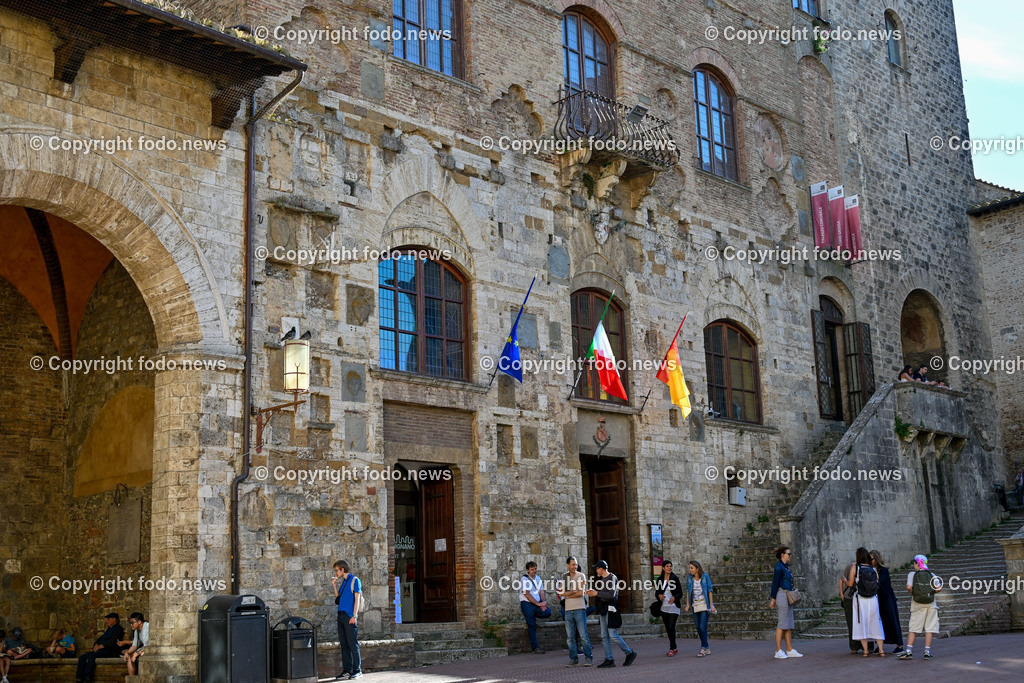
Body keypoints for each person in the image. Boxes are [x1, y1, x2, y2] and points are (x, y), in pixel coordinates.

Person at [586, 560, 636, 668]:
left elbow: (611, 594)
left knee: (612, 634)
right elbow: (604, 594)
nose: (595, 571)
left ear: (601, 568)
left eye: (596, 568)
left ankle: (629, 653)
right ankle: (609, 659)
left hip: (611, 609)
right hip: (604, 609)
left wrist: (596, 593)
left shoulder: (612, 578)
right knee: (604, 636)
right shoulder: (603, 579)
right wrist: (593, 592)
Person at [899, 554, 941, 660]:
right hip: (931, 604)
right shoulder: (931, 574)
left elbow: (909, 587)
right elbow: (938, 588)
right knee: (929, 629)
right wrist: (930, 593)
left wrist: (914, 593)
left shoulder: (912, 574)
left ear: (917, 563)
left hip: (917, 604)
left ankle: (908, 651)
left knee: (913, 628)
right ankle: (927, 652)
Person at [847, 547, 885, 657]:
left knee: (861, 623)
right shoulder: (873, 568)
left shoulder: (856, 567)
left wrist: (846, 580)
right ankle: (881, 650)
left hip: (860, 599)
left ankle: (865, 651)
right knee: (876, 623)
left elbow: (850, 584)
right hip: (873, 598)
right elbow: (877, 582)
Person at [555, 556, 592, 667]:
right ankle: (573, 659)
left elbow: (580, 593)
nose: (575, 566)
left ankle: (588, 657)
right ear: (568, 565)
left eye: (576, 564)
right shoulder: (564, 577)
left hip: (580, 609)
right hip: (568, 610)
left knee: (583, 635)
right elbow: (561, 593)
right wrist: (572, 591)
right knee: (570, 637)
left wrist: (568, 593)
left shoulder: (581, 576)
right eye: (573, 564)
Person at [769, 546, 802, 659]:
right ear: (783, 554)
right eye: (788, 554)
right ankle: (778, 650)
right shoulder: (779, 567)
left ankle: (789, 649)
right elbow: (775, 584)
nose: (790, 555)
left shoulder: (786, 567)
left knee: (788, 623)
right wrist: (773, 599)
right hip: (782, 595)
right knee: (782, 623)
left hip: (788, 595)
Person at [332, 559, 362, 679]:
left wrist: (354, 616)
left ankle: (357, 670)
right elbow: (338, 598)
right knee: (344, 644)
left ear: (342, 569)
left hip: (350, 616)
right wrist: (334, 585)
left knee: (352, 644)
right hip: (341, 615)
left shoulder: (355, 580)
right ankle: (347, 670)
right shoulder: (343, 582)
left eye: (336, 571)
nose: (336, 573)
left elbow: (357, 599)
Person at [870, 550, 904, 654]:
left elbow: (879, 583)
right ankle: (879, 644)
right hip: (877, 599)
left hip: (887, 598)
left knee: (892, 620)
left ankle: (899, 645)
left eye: (872, 559)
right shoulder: (870, 570)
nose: (870, 561)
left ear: (876, 559)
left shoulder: (883, 570)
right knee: (879, 623)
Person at [76, 613, 125, 683]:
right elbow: (100, 638)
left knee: (92, 657)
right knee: (82, 657)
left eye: (109, 619)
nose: (107, 621)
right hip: (100, 650)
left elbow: (112, 642)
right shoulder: (109, 629)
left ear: (114, 620)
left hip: (109, 651)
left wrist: (100, 646)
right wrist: (96, 644)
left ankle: (87, 678)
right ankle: (79, 678)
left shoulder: (118, 629)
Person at [684, 560, 716, 657]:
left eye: (692, 568)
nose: (690, 570)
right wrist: (688, 604)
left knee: (702, 627)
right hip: (695, 605)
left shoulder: (705, 577)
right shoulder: (690, 578)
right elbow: (688, 591)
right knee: (698, 627)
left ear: (697, 569)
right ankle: (707, 648)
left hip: (704, 605)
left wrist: (711, 605)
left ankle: (703, 648)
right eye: (689, 568)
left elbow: (710, 591)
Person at [519, 560, 552, 654]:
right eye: (532, 569)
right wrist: (538, 604)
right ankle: (535, 647)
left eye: (535, 569)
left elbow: (542, 591)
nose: (534, 571)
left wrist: (543, 602)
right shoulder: (524, 579)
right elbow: (527, 594)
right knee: (532, 625)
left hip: (537, 603)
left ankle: (533, 615)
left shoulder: (538, 578)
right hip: (527, 604)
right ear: (528, 570)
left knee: (547, 613)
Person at [655, 560, 683, 656]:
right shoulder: (659, 579)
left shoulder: (675, 578)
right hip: (664, 607)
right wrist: (659, 596)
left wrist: (674, 597)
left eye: (670, 566)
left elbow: (680, 593)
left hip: (674, 607)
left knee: (671, 626)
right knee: (668, 628)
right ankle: (674, 647)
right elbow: (657, 592)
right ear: (663, 568)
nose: (669, 568)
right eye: (667, 566)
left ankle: (671, 648)